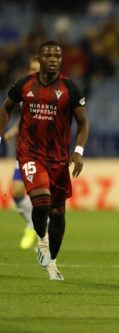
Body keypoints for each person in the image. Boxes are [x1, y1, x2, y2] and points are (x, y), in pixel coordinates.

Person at [0, 40, 90, 280]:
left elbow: (83, 122)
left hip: (58, 159)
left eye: (57, 56)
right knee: (41, 201)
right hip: (30, 153)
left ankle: (52, 262)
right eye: (48, 56)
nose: (53, 59)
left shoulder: (70, 88)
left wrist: (78, 151)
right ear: (39, 59)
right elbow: (6, 107)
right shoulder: (24, 84)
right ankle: (41, 238)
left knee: (58, 214)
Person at [3, 56, 41, 250]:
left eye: (38, 69)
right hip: (25, 149)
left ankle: (44, 237)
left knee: (41, 194)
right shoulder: (24, 90)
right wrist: (13, 131)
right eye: (32, 69)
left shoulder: (50, 92)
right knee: (17, 192)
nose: (35, 72)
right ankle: (32, 223)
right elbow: (26, 119)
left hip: (44, 152)